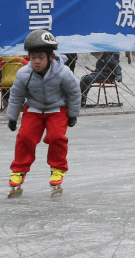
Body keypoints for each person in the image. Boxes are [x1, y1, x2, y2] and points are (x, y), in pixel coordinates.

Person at [5, 30, 81, 194]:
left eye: (41, 57)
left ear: (51, 57)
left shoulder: (63, 73)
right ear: (28, 58)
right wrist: (12, 117)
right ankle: (19, 169)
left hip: (57, 109)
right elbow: (16, 96)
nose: (37, 62)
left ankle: (57, 168)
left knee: (56, 137)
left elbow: (74, 92)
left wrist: (73, 114)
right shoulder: (24, 74)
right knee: (25, 137)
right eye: (33, 58)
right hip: (34, 108)